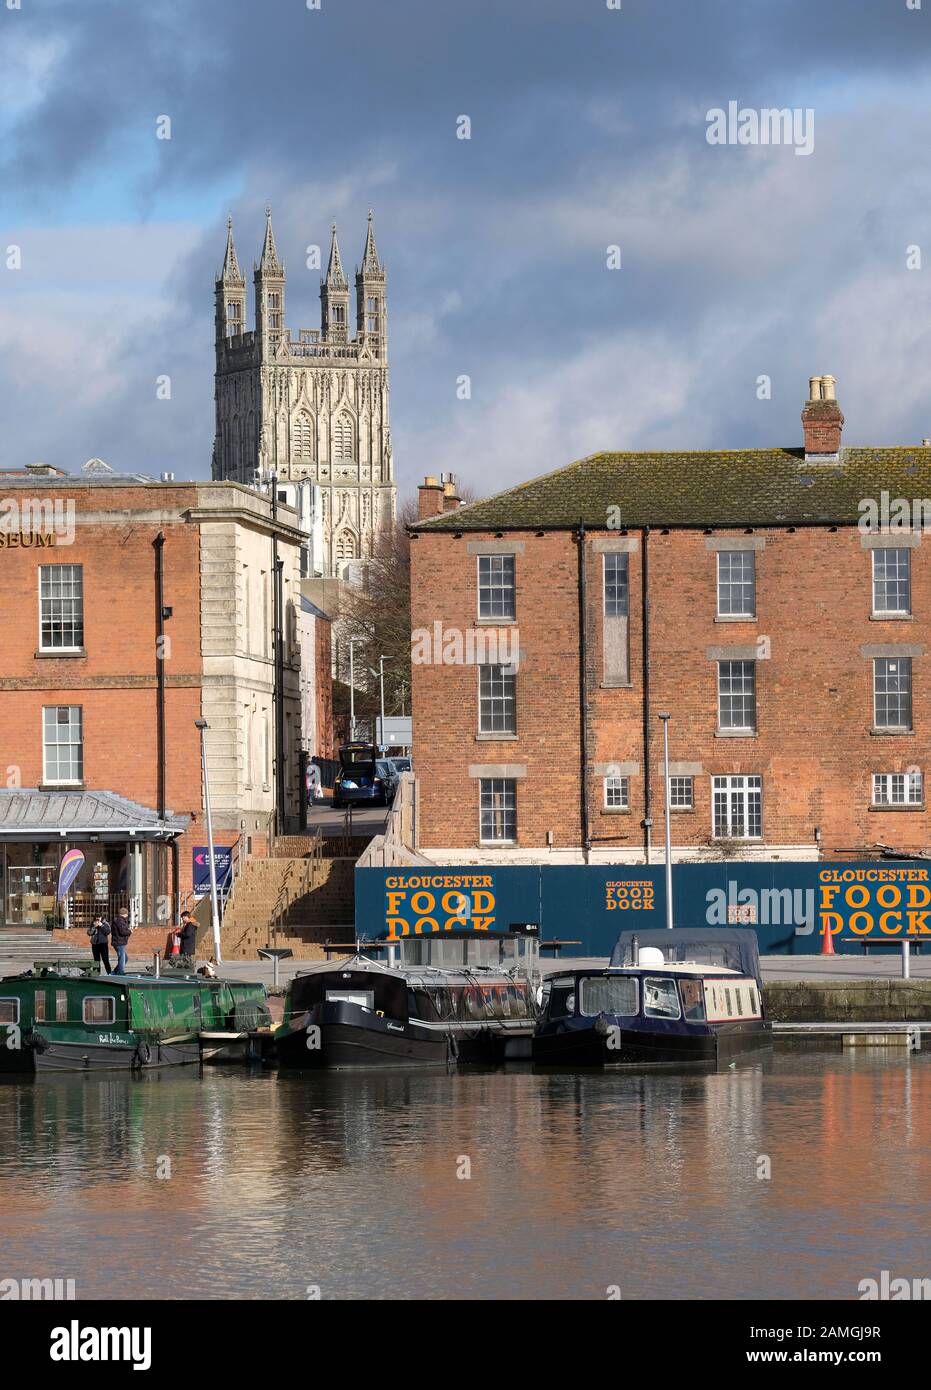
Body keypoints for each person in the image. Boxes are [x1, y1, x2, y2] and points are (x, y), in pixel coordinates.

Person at [111, 907, 133, 975]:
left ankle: (115, 972)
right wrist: (129, 931)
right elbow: (122, 932)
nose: (127, 915)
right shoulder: (120, 920)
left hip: (118, 941)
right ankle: (120, 972)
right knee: (122, 958)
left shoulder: (118, 920)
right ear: (125, 914)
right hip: (119, 942)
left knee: (125, 958)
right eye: (127, 914)